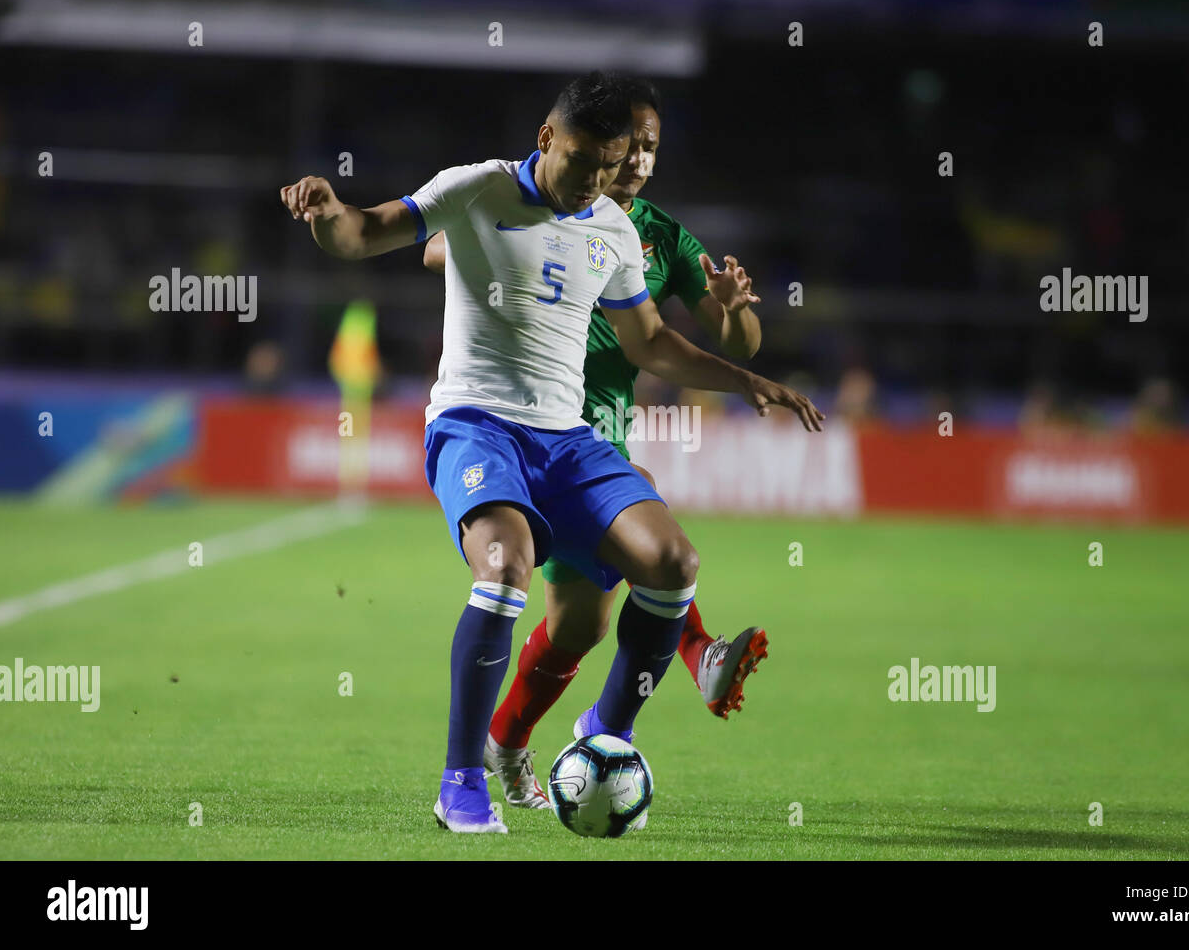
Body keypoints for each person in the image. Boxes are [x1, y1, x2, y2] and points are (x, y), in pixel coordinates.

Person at [281, 71, 823, 833]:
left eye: (612, 165)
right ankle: (461, 782)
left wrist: (746, 380)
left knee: (673, 566)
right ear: (546, 138)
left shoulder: (615, 228)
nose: (596, 182)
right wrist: (327, 209)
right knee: (504, 567)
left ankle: (608, 734)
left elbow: (652, 342)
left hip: (569, 439)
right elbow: (365, 232)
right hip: (477, 426)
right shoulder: (476, 188)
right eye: (584, 162)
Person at [422, 78, 770, 811]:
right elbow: (442, 246)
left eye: (648, 148)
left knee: (578, 628)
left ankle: (510, 744)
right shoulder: (530, 195)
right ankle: (692, 654)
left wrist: (736, 321)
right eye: (626, 146)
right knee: (561, 566)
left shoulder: (660, 237)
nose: (637, 160)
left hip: (592, 427)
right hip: (518, 420)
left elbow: (711, 336)